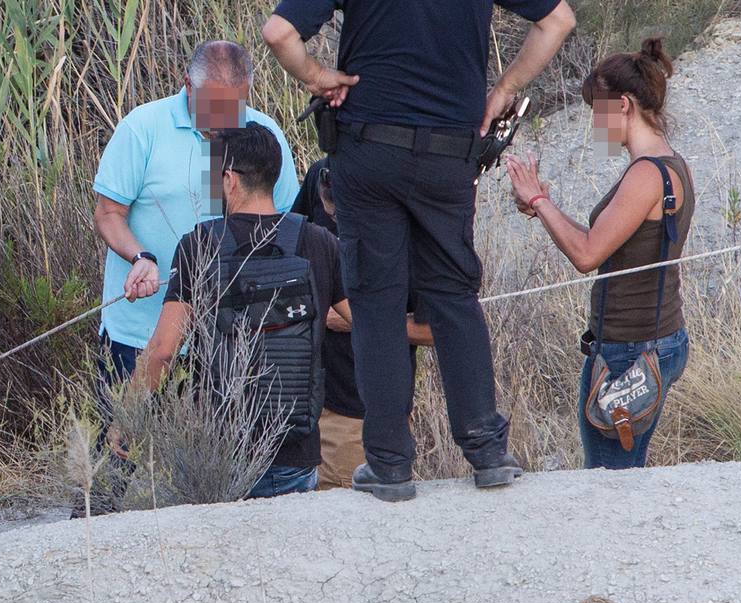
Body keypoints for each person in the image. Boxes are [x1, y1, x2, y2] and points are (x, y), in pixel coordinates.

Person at [264, 0, 576, 501]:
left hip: (368, 152)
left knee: (375, 301)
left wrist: (320, 77)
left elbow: (279, 33)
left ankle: (389, 465)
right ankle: (487, 451)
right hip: (450, 152)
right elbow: (558, 21)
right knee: (453, 296)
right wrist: (503, 90)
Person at [507, 39, 693, 469]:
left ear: (624, 105)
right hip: (652, 340)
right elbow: (603, 241)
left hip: (631, 352)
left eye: (598, 111)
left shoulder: (647, 174)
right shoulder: (671, 163)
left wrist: (538, 201)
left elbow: (587, 254)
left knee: (610, 486)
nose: (595, 124)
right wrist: (543, 209)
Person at [128, 123, 339, 499]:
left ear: (228, 179)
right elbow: (360, 317)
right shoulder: (318, 241)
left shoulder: (200, 244)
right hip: (296, 449)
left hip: (221, 450)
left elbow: (163, 349)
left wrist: (125, 420)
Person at [93, 40, 299, 387]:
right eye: (214, 106)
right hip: (140, 336)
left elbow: (285, 220)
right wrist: (140, 257)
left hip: (230, 341)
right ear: (188, 84)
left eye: (236, 105)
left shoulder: (264, 136)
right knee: (123, 439)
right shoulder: (142, 128)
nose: (225, 120)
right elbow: (108, 213)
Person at [290, 157, 435, 488]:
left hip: (362, 412)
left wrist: (360, 320)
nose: (335, 218)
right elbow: (291, 247)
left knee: (351, 521)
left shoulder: (420, 209)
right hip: (302, 401)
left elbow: (436, 330)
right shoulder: (322, 174)